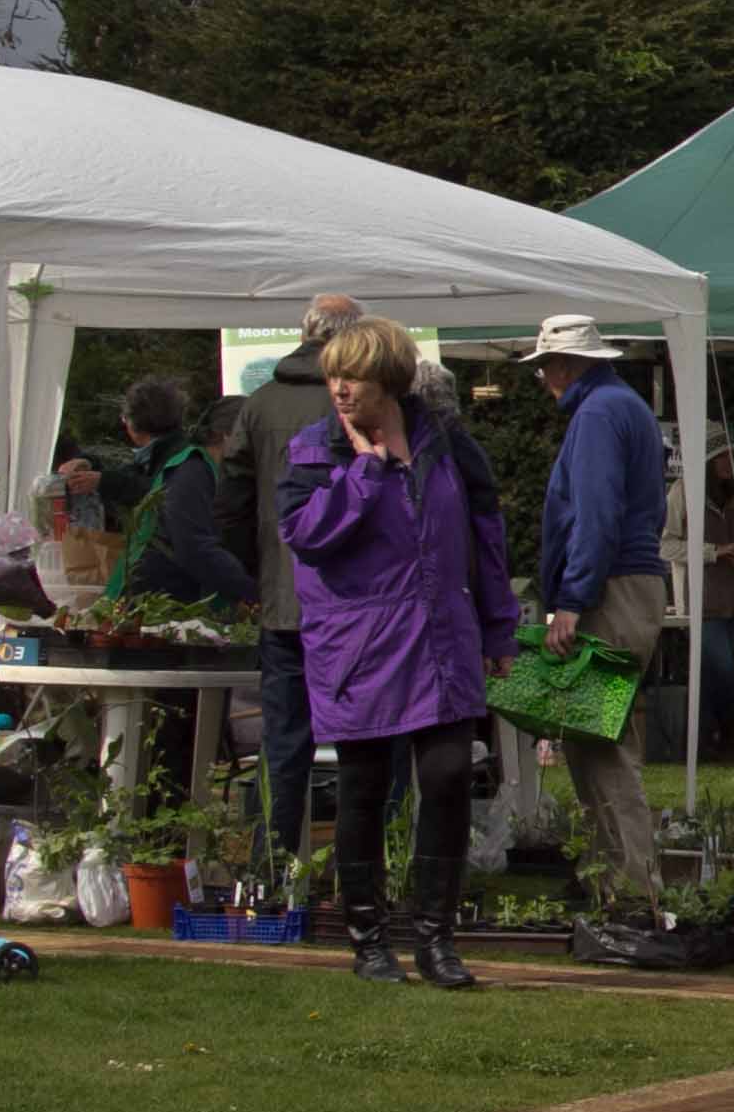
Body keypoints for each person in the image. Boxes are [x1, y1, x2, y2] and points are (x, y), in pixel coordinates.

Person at [276, 316, 516, 988]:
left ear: (389, 379)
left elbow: (484, 540)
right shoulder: (313, 449)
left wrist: (499, 629)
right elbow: (306, 534)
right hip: (361, 648)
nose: (340, 389)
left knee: (444, 779)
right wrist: (368, 471)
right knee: (363, 789)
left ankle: (436, 938)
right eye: (333, 377)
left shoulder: (448, 443)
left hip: (442, 637)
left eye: (352, 376)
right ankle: (368, 940)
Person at [520, 313, 668, 908]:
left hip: (613, 589)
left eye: (544, 367)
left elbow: (596, 516)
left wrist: (572, 602)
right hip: (627, 583)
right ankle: (618, 886)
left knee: (605, 750)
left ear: (567, 365)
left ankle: (632, 893)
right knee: (599, 743)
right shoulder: (619, 405)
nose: (542, 380)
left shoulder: (600, 413)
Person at [229, 294, 364, 865]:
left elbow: (230, 503)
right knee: (365, 742)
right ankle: (364, 868)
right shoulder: (359, 400)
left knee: (282, 745)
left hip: (281, 601)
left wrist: (249, 578)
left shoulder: (259, 404)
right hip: (350, 602)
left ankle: (270, 868)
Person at [106, 378, 255, 606]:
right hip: (149, 601)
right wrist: (254, 592)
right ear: (229, 435)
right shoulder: (193, 469)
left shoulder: (198, 466)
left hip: (158, 596)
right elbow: (195, 547)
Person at [675, 441, 734, 759]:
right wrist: (714, 552)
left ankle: (703, 743)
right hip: (700, 600)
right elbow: (666, 545)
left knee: (712, 674)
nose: (728, 462)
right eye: (722, 456)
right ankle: (729, 734)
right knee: (723, 669)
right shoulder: (682, 493)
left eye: (732, 456)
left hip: (733, 599)